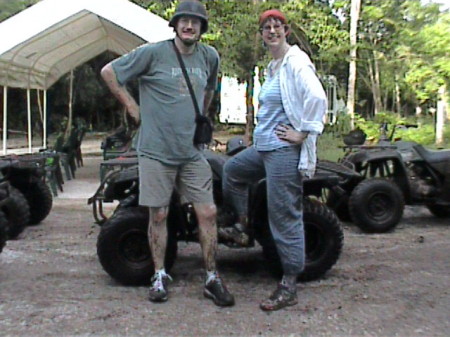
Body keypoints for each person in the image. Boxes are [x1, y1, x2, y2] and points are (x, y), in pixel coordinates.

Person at [100, 0, 234, 307]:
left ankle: (212, 277)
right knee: (158, 213)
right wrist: (132, 106)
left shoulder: (209, 56)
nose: (189, 26)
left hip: (191, 151)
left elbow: (209, 89)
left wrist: (201, 114)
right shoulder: (152, 53)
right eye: (184, 21)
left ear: (202, 28)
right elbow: (109, 72)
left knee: (209, 211)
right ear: (175, 25)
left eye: (195, 22)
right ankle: (159, 275)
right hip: (156, 151)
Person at [222, 9, 327, 311]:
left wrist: (304, 133)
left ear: (285, 31)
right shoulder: (273, 66)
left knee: (283, 214)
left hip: (283, 151)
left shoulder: (296, 62)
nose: (271, 31)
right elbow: (272, 108)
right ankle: (242, 227)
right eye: (266, 27)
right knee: (233, 170)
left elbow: (317, 97)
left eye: (276, 26)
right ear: (262, 34)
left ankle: (290, 284)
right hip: (265, 146)